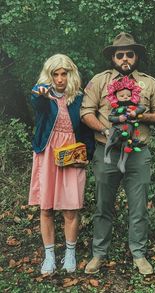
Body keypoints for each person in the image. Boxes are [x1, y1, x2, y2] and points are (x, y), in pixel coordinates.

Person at [80, 32, 155, 275]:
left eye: (130, 54)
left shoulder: (148, 82)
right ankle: (99, 253)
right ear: (113, 58)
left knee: (138, 206)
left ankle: (139, 254)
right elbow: (86, 112)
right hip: (106, 153)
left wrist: (143, 116)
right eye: (120, 55)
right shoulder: (100, 81)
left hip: (138, 154)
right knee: (103, 205)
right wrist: (107, 131)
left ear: (136, 56)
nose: (125, 58)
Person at [28, 54, 94, 275]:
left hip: (72, 154)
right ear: (49, 75)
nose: (59, 79)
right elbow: (36, 104)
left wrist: (87, 154)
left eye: (63, 73)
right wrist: (41, 93)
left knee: (71, 208)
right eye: (55, 74)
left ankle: (70, 254)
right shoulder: (43, 96)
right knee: (46, 208)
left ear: (70, 74)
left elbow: (86, 128)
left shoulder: (78, 97)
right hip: (47, 153)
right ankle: (49, 256)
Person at [104, 75, 145, 173]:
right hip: (117, 129)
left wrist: (135, 112)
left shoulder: (133, 106)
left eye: (128, 95)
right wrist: (118, 118)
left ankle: (122, 162)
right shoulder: (117, 108)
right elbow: (110, 118)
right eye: (122, 96)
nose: (126, 97)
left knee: (126, 146)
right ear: (116, 97)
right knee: (111, 141)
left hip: (129, 130)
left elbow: (142, 108)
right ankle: (106, 155)